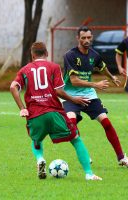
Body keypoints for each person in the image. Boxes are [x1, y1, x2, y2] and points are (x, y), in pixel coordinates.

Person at [10, 41, 102, 180]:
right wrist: (74, 99)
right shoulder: (54, 67)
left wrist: (22, 108)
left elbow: (13, 87)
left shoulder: (25, 69)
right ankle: (89, 174)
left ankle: (40, 159)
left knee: (36, 139)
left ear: (32, 55)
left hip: (35, 113)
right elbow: (58, 91)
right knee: (75, 139)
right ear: (46, 53)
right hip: (54, 112)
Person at [63, 26, 128, 167]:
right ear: (77, 38)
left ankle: (121, 157)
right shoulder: (70, 55)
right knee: (71, 124)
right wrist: (95, 84)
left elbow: (102, 67)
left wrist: (112, 77)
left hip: (89, 95)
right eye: (83, 38)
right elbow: (74, 81)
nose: (86, 40)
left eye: (89, 37)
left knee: (106, 123)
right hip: (71, 96)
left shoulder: (94, 55)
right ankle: (84, 154)